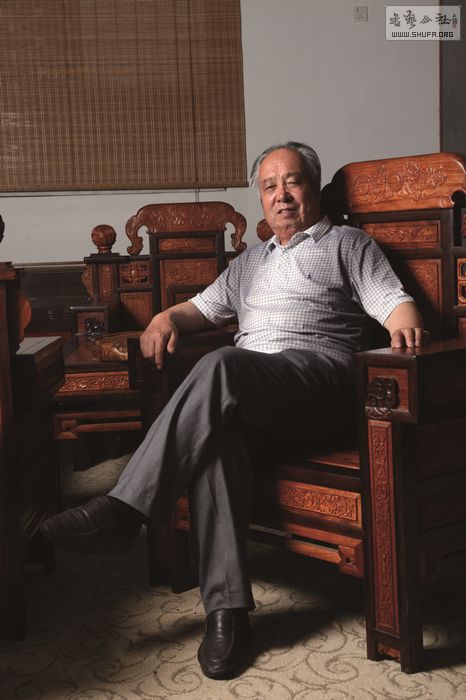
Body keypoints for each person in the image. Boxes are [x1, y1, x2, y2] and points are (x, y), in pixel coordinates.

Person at [40, 142, 426, 680]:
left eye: (292, 182)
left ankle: (125, 509)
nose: (281, 195)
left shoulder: (347, 244)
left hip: (319, 383)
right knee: (218, 442)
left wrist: (406, 328)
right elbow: (197, 310)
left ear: (314, 188)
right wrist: (163, 319)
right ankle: (228, 614)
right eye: (269, 186)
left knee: (223, 363)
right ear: (261, 198)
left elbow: (394, 302)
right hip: (253, 396)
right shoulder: (249, 263)